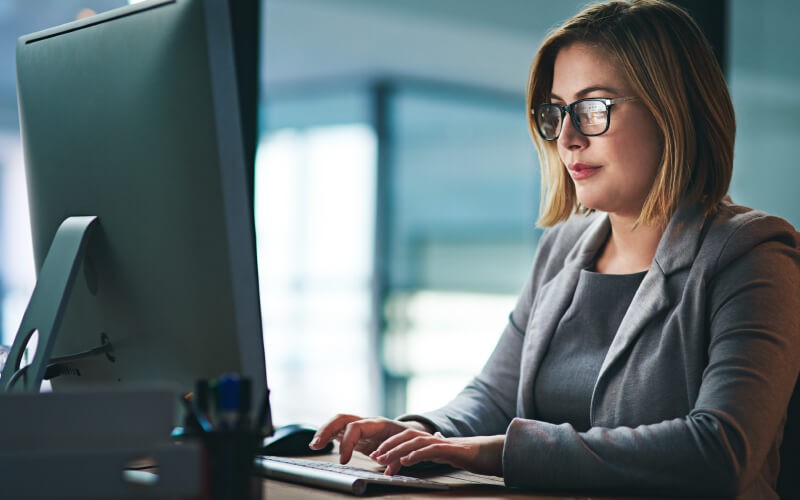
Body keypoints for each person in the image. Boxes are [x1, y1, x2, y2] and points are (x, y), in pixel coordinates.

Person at [309, 1, 800, 497]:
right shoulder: (563, 247)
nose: (566, 138)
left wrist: (496, 452)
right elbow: (492, 398)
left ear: (672, 110)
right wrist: (419, 433)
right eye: (557, 112)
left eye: (592, 109)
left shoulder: (754, 253)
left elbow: (718, 451)